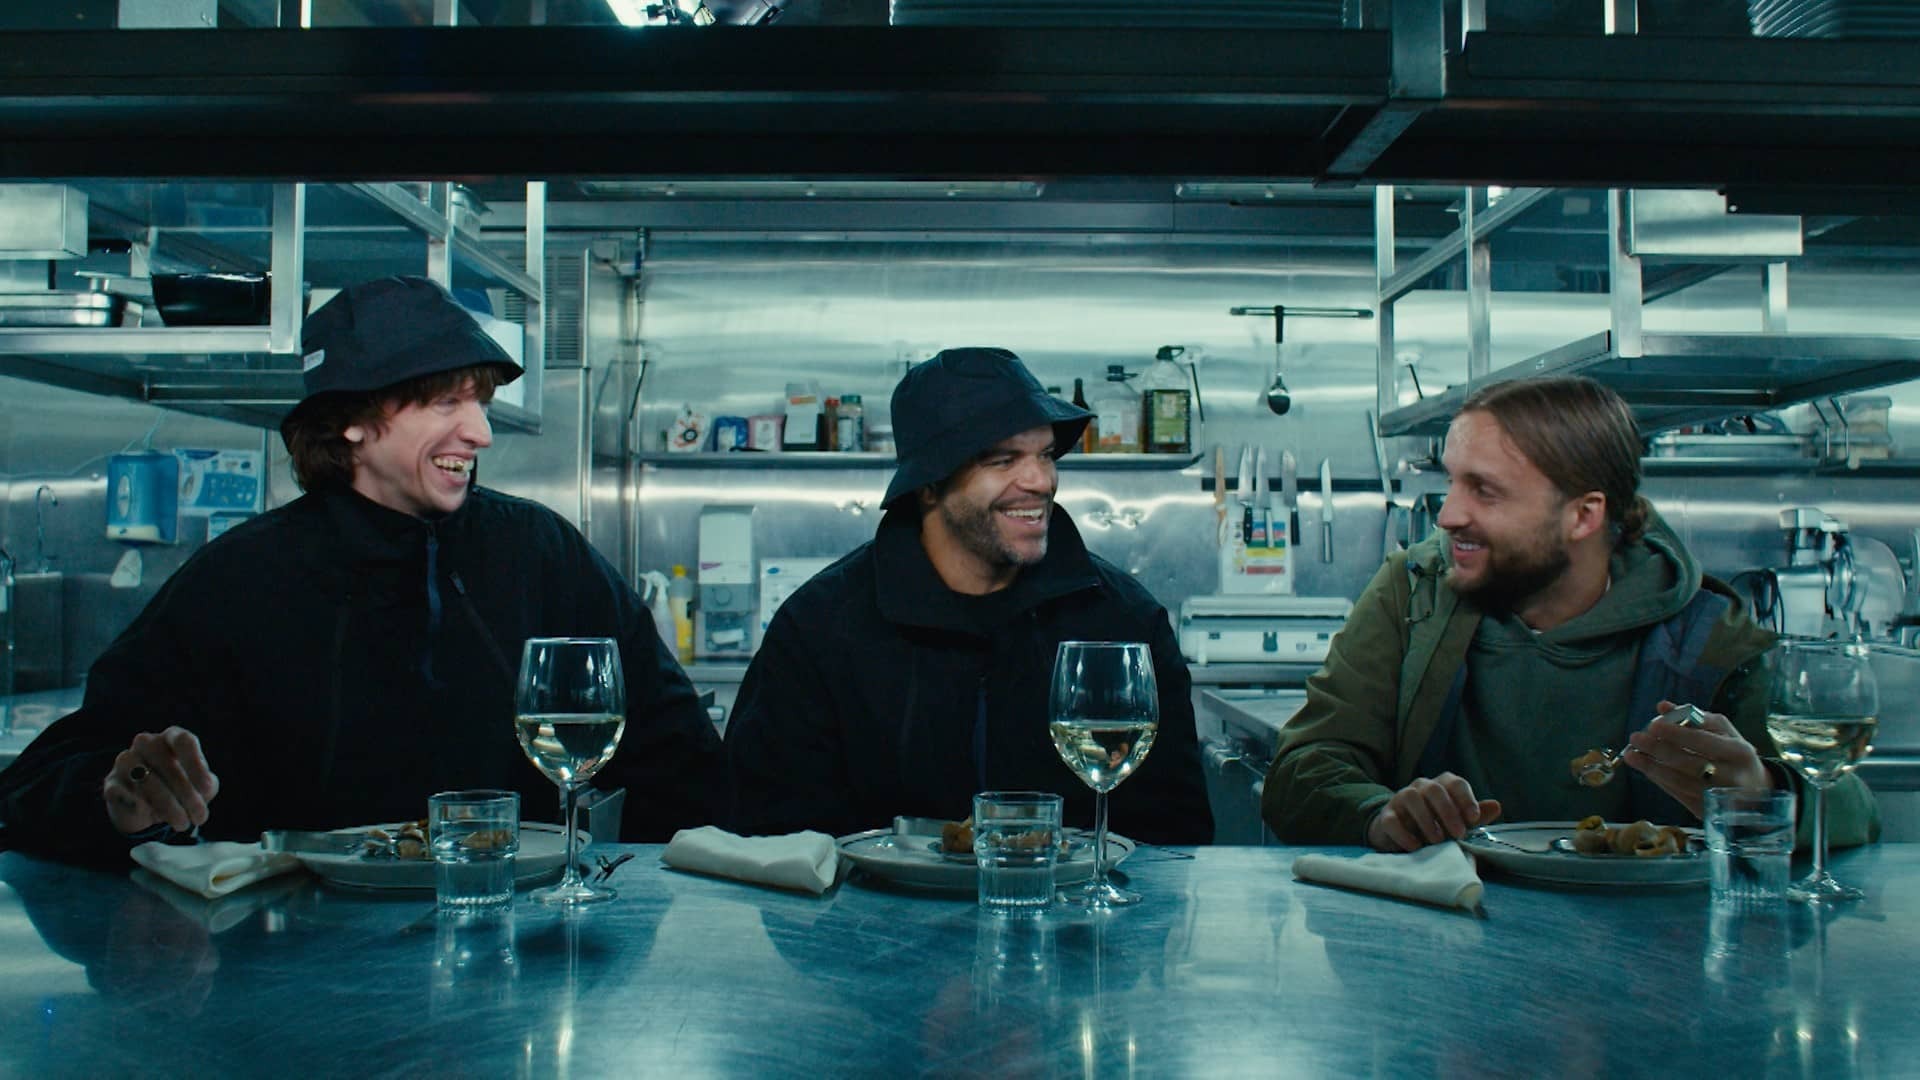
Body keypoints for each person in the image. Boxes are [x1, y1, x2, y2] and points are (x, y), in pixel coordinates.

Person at [0, 276, 726, 862]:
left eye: (480, 401)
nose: (478, 431)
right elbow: (46, 781)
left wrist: (633, 912)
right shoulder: (239, 580)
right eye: (446, 401)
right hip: (289, 983)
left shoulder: (541, 554)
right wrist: (121, 801)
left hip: (521, 962)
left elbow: (682, 759)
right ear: (351, 419)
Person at [1262, 375, 1878, 851]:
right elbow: (1300, 774)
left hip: (1654, 971)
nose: (1447, 515)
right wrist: (1379, 813)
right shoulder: (1415, 593)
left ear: (1583, 515)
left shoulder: (1707, 636)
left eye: (1485, 490)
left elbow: (1851, 809)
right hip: (1441, 952)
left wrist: (1760, 795)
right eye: (1451, 482)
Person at [724, 347, 1213, 845]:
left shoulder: (1123, 622)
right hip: (869, 919)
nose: (1040, 481)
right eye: (1003, 459)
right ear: (930, 486)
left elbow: (1174, 841)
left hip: (1074, 921)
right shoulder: (819, 629)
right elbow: (768, 836)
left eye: (1045, 454)